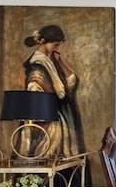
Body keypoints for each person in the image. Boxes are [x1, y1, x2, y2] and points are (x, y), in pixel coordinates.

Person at [18, 25, 86, 162]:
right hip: (48, 123)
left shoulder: (51, 63)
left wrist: (60, 62)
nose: (57, 48)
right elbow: (35, 93)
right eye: (55, 45)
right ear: (43, 41)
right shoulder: (38, 65)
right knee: (49, 158)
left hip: (57, 120)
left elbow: (71, 81)